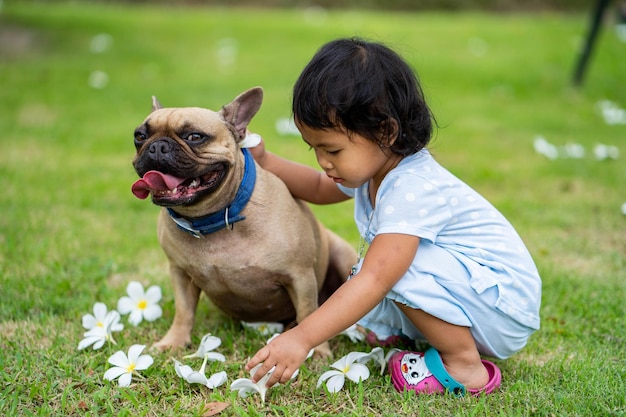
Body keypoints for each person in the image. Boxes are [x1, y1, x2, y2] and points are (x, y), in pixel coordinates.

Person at [246, 37, 541, 396]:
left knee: (387, 268)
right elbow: (319, 188)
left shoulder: (410, 187)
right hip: (482, 298)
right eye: (315, 149)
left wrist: (302, 336)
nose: (323, 162)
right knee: (387, 264)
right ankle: (423, 335)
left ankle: (465, 365)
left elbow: (376, 280)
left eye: (332, 149)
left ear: (386, 131)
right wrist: (266, 161)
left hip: (502, 306)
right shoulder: (374, 168)